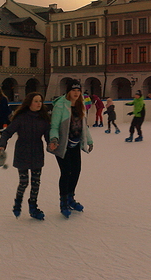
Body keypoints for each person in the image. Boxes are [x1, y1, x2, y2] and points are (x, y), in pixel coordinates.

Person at [0, 92, 51, 220]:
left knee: (36, 182)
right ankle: (18, 202)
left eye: (40, 101)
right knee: (24, 182)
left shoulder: (44, 119)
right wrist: (2, 145)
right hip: (22, 152)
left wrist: (52, 144)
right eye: (36, 101)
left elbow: (48, 136)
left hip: (37, 152)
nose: (39, 104)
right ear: (29, 103)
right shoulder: (21, 117)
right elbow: (7, 133)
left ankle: (33, 207)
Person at [49, 80, 93, 218]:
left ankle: (70, 198)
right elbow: (54, 126)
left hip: (75, 144)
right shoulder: (60, 105)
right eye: (73, 90)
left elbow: (84, 126)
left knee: (76, 171)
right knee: (66, 171)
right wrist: (54, 139)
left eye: (78, 90)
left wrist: (89, 140)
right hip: (62, 145)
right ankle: (63, 202)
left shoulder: (81, 105)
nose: (76, 93)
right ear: (68, 91)